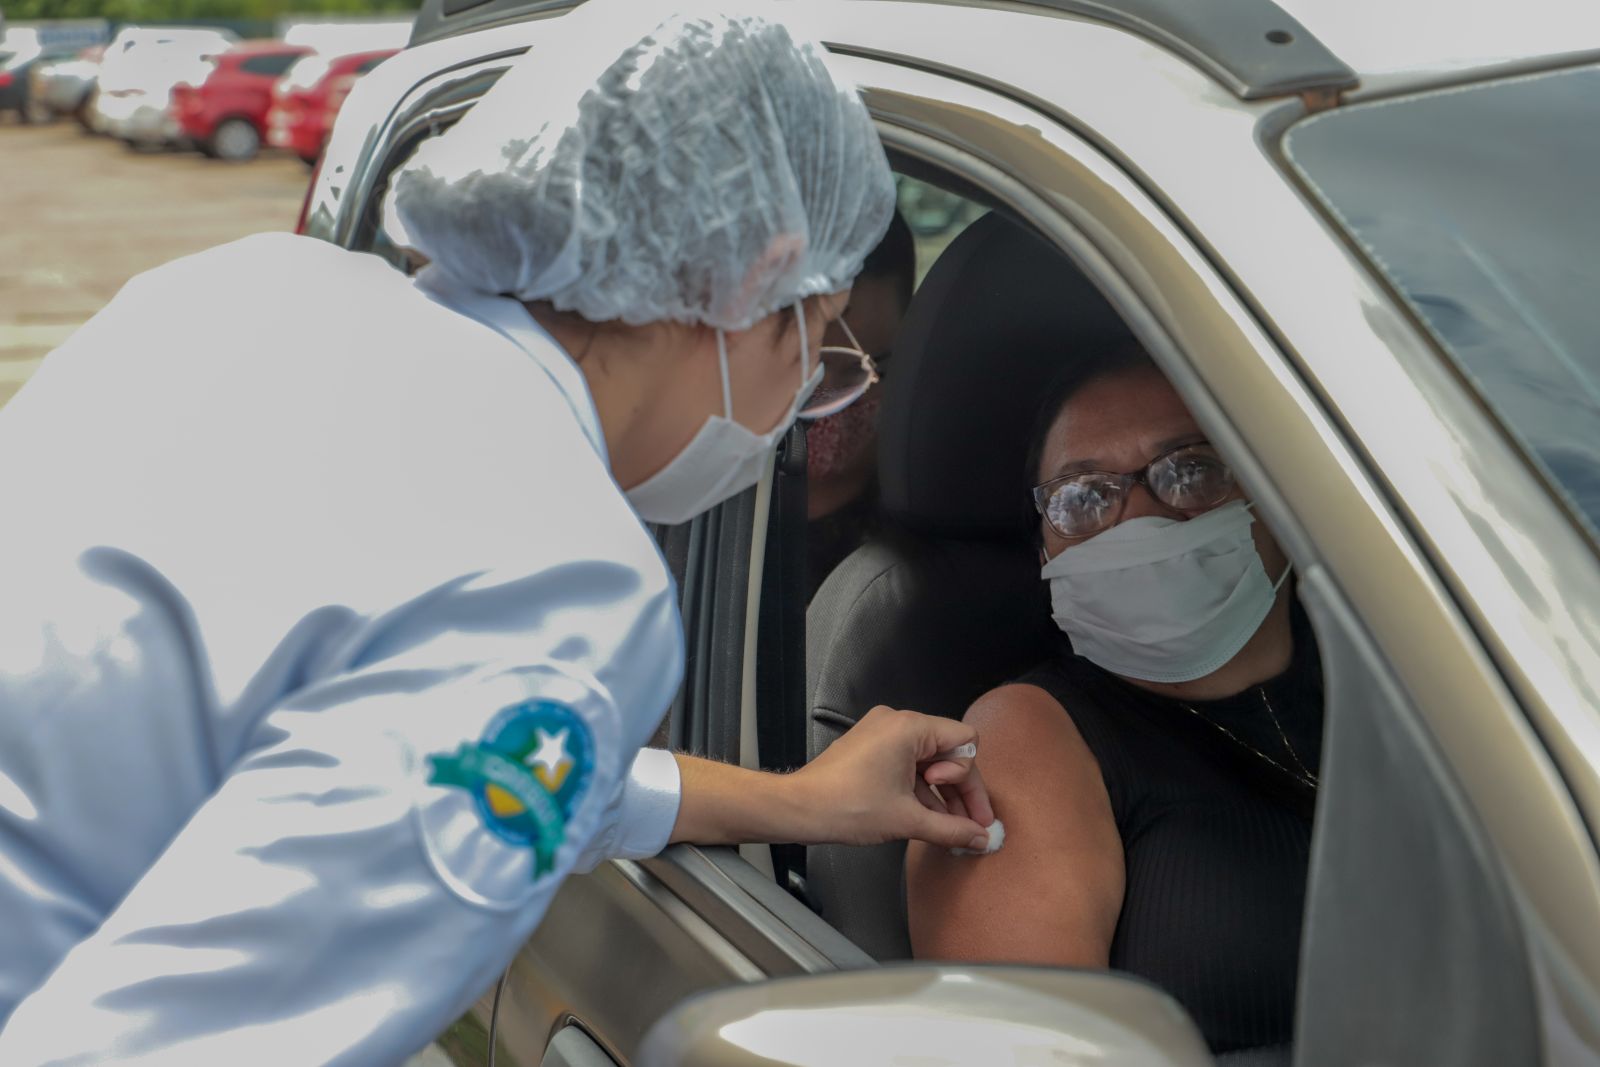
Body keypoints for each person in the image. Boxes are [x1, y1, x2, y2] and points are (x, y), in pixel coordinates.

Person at [0, 6, 995, 1063]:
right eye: (817, 336)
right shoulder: (558, 572)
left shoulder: (244, 292)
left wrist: (802, 801)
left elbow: (414, 738)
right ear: (755, 277)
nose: (807, 394)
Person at [905, 342, 1321, 1055]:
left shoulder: (1406, 670)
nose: (1137, 520)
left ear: (1276, 495)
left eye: (1190, 469)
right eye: (1083, 497)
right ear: (1043, 548)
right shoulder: (1019, 741)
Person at [805, 209, 914, 600]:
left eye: (867, 368)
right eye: (811, 369)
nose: (833, 397)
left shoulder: (924, 523)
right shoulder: (710, 503)